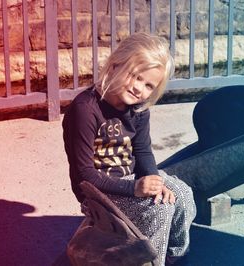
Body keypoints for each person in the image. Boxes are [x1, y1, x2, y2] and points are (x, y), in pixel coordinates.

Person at [62, 32, 196, 266]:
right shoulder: (85, 109)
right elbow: (85, 175)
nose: (139, 89)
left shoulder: (139, 110)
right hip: (97, 195)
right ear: (115, 65)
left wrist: (154, 180)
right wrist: (135, 188)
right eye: (135, 76)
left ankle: (174, 255)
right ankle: (149, 262)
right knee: (160, 210)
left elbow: (143, 151)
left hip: (131, 181)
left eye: (148, 85)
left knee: (182, 194)